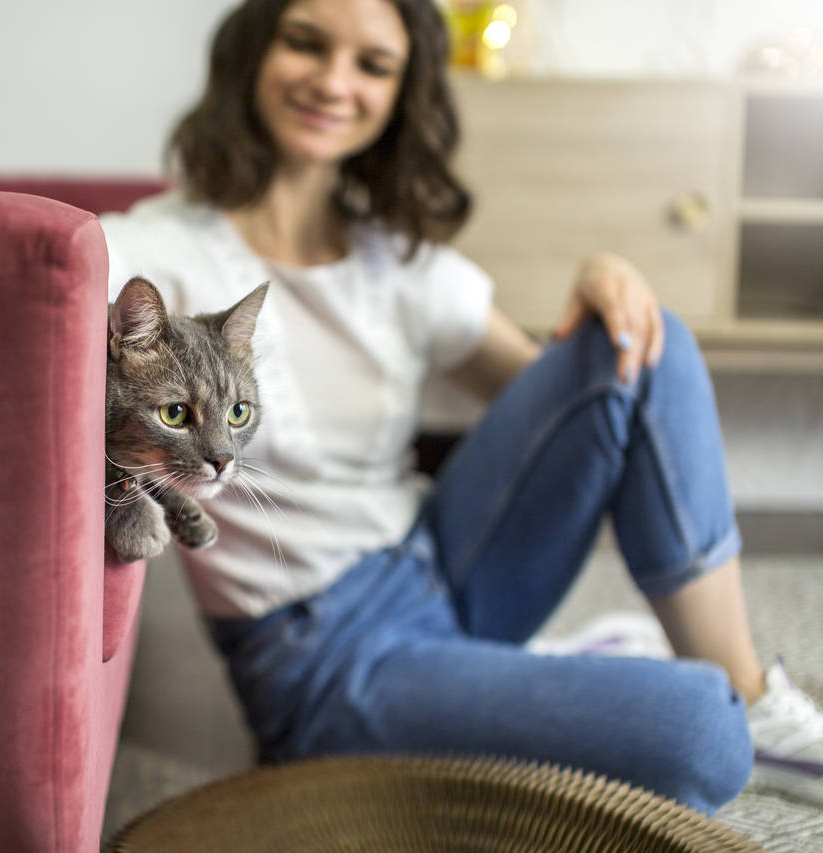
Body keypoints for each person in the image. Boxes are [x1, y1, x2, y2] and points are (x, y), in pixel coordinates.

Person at [99, 0, 823, 813]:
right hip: (326, 655)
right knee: (702, 736)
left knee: (644, 342)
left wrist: (605, 276)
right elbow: (37, 300)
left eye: (372, 64)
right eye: (306, 43)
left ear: (402, 91)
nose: (335, 81)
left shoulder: (396, 260)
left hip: (442, 561)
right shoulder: (151, 245)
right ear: (252, 52)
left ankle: (753, 690)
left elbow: (586, 398)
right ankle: (598, 686)